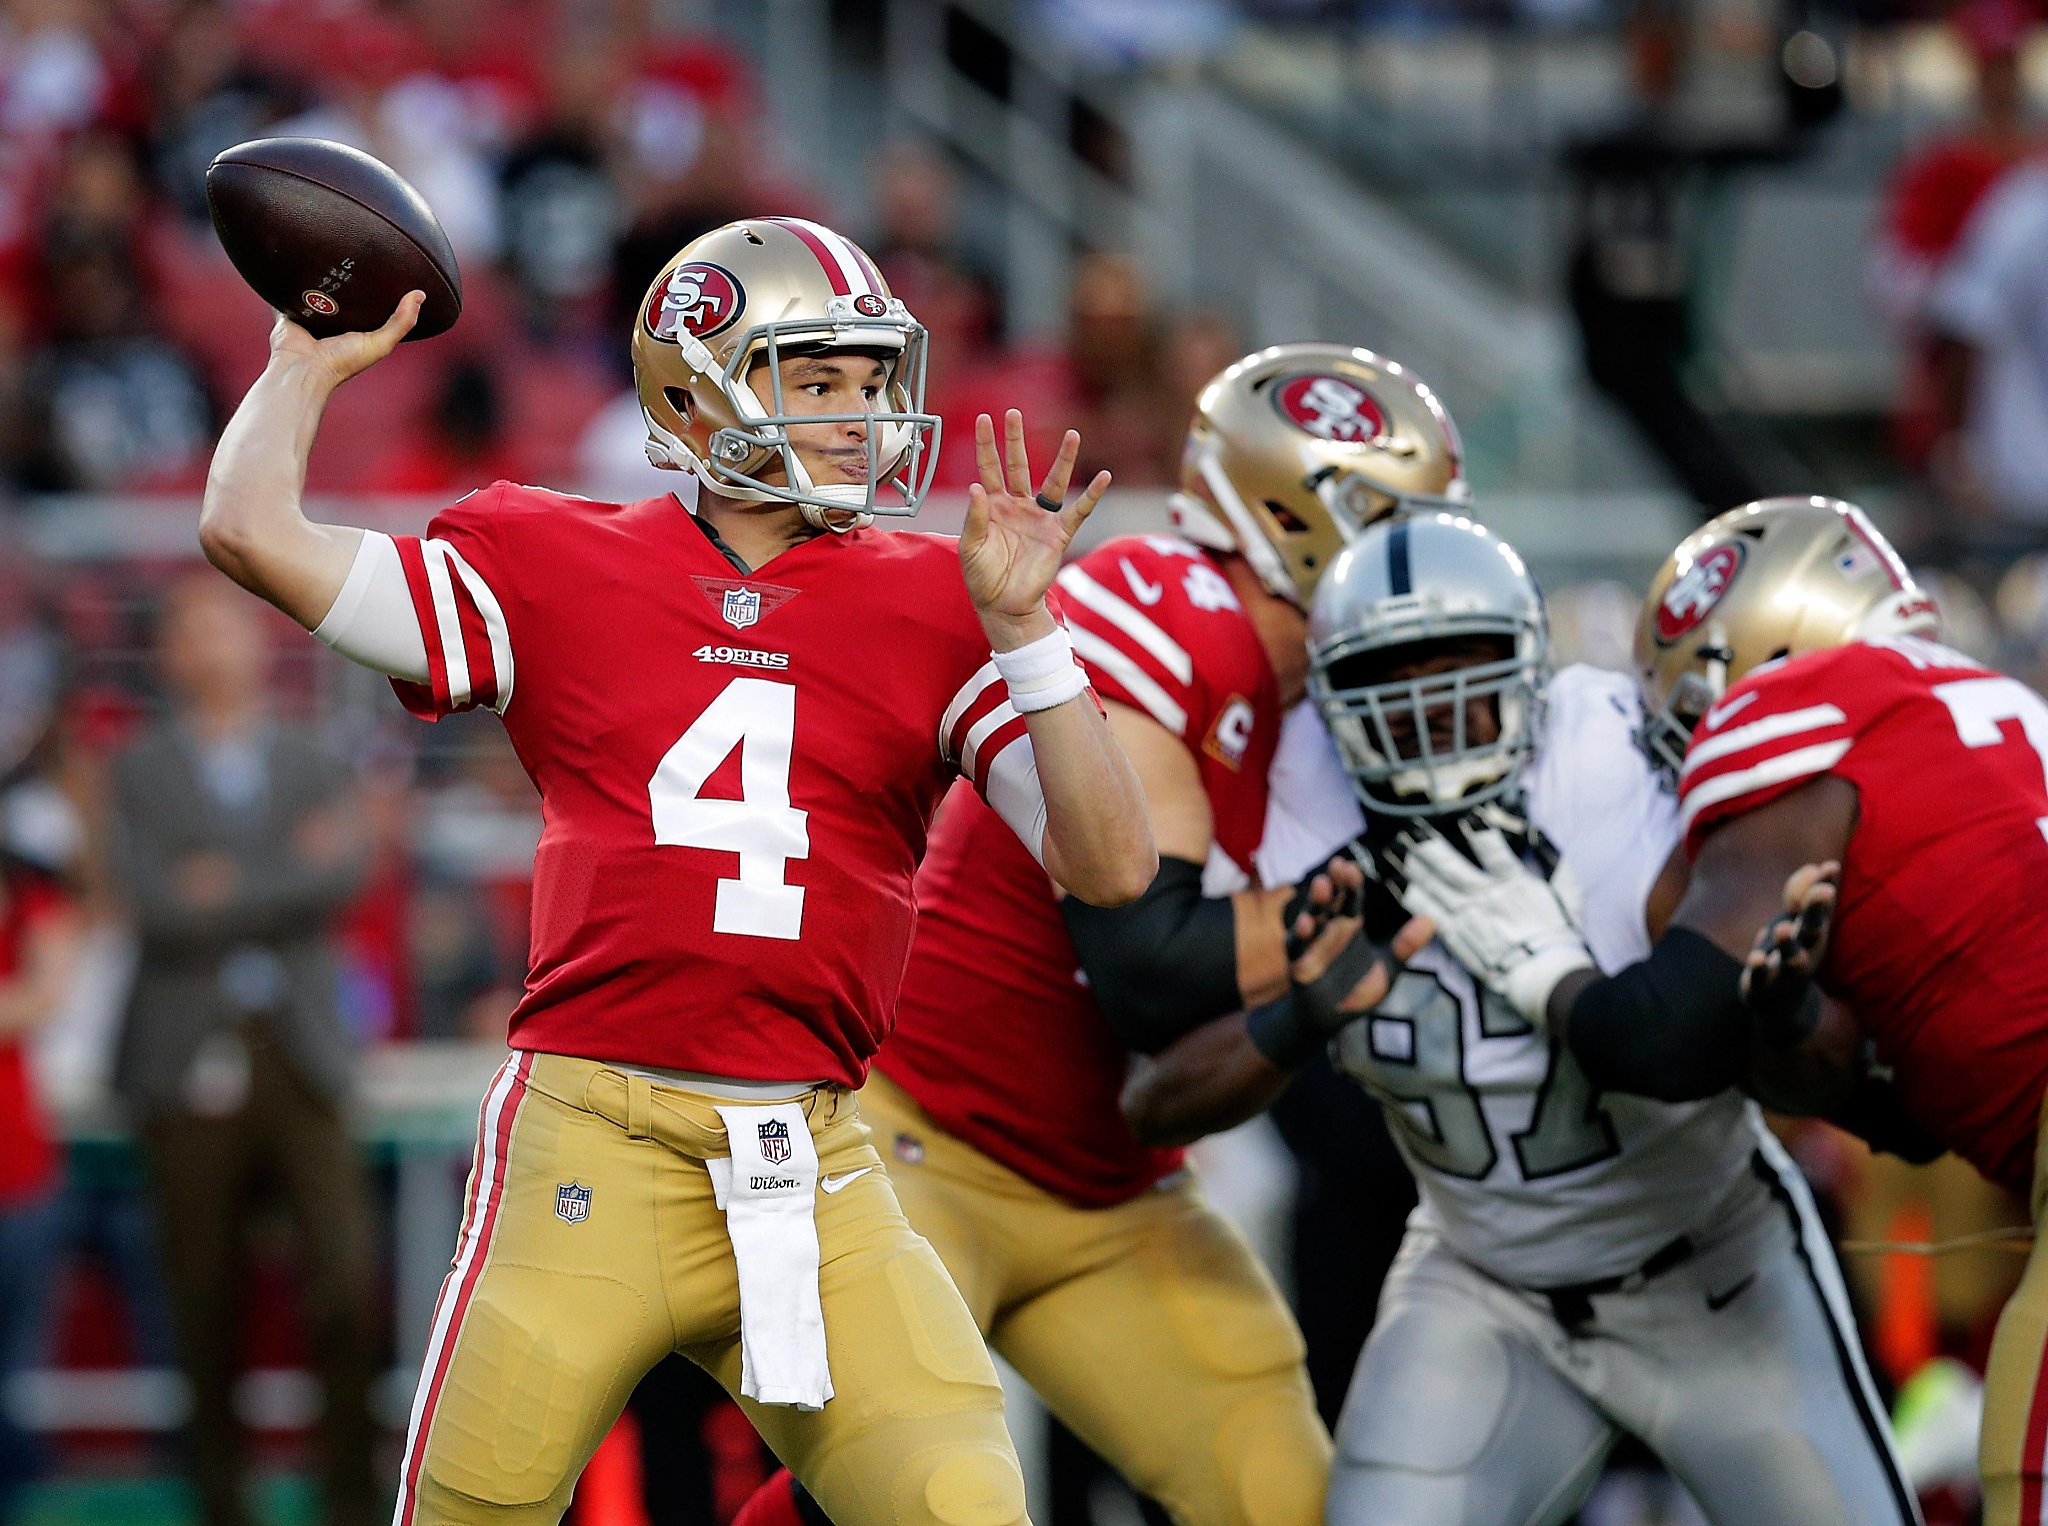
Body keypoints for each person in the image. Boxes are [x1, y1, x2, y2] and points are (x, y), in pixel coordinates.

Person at [197, 214, 1155, 1526]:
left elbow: (1112, 868)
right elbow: (250, 530)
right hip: (596, 1137)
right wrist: (303, 363)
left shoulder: (947, 595)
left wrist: (1034, 636)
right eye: (817, 379)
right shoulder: (553, 556)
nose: (857, 415)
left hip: (815, 1155)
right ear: (696, 391)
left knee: (959, 1504)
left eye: (872, 381)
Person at [734, 342, 1469, 1526]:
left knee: (1283, 1495)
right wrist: (1385, 892)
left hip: (1114, 1186)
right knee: (901, 1495)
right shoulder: (1170, 610)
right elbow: (1146, 963)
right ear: (1286, 518)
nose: (1424, 560)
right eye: (1396, 522)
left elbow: (1188, 1073)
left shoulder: (1343, 703)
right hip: (918, 1142)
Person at [1124, 507, 1923, 1524]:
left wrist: (1768, 1009)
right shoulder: (1291, 814)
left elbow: (1775, 1042)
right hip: (1478, 1283)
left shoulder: (1620, 763)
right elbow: (1154, 1098)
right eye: (1388, 678)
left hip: (1709, 1262)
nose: (1427, 707)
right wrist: (1300, 1012)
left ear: (1531, 667)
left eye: (1457, 666)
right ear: (1329, 697)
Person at [1376, 495, 2048, 1523]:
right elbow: (1914, 1107)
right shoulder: (1982, 704)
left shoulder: (1792, 715)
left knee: (2022, 1476)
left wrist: (1539, 962)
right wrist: (1782, 1022)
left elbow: (1660, 1035)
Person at [108, 575, 380, 1526]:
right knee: (201, 1297)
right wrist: (285, 871)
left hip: (302, 1052)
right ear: (170, 653)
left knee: (346, 1285)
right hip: (184, 1059)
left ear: (258, 642)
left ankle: (353, 1501)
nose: (212, 645)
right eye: (191, 629)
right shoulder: (137, 768)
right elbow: (156, 904)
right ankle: (220, 1505)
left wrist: (227, 881)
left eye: (225, 625)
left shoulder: (312, 758)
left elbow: (344, 871)